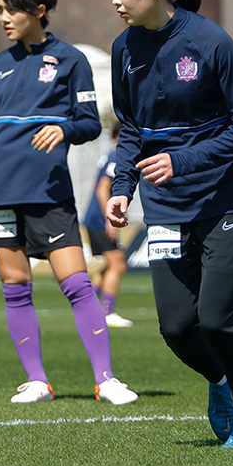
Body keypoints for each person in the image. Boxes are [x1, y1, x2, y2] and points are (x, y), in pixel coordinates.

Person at [105, 0, 233, 447]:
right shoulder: (123, 50)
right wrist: (123, 187)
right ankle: (221, 382)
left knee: (217, 322)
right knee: (177, 328)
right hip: (167, 209)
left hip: (227, 200)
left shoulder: (210, 41)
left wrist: (182, 161)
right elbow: (132, 130)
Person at [0, 0, 138, 406]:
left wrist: (63, 129)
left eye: (11, 9)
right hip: (0, 197)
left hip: (49, 194)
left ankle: (106, 380)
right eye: (0, 9)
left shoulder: (71, 61)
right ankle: (37, 382)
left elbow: (89, 124)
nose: (4, 18)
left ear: (39, 10)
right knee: (15, 287)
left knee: (77, 284)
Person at [83, 122, 134, 328]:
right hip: (99, 220)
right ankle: (107, 313)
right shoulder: (117, 156)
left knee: (112, 263)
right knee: (118, 264)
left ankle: (87, 305)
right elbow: (102, 188)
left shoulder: (111, 155)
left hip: (94, 218)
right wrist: (108, 220)